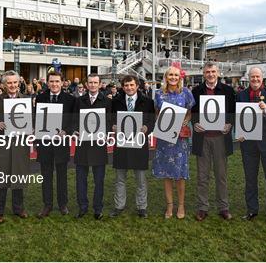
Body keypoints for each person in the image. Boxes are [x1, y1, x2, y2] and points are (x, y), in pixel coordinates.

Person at [191, 62, 236, 221]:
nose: (210, 74)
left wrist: (229, 124)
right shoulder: (196, 91)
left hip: (220, 139)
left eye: (213, 71)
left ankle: (223, 207)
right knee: (202, 176)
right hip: (202, 138)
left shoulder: (228, 91)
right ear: (203, 74)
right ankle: (202, 207)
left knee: (221, 175)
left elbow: (233, 113)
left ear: (218, 73)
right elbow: (193, 113)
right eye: (207, 72)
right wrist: (194, 123)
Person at [0, 71, 31, 223]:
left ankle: (19, 209)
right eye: (9, 83)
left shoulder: (27, 100)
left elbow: (33, 121)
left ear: (19, 83)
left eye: (15, 82)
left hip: (20, 145)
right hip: (1, 146)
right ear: (4, 85)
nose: (12, 85)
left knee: (18, 176)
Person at [236, 67, 266, 224]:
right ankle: (252, 210)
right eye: (252, 77)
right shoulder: (241, 95)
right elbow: (237, 116)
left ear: (263, 78)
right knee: (250, 179)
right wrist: (238, 131)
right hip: (248, 143)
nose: (255, 79)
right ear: (248, 78)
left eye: (257, 77)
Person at [152, 66, 195, 219]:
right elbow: (157, 114)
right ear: (166, 76)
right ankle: (169, 205)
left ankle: (181, 205)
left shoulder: (186, 93)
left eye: (176, 75)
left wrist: (185, 122)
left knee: (180, 173)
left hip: (180, 140)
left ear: (180, 77)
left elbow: (189, 113)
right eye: (170, 74)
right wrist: (161, 123)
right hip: (165, 138)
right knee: (167, 173)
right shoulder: (158, 94)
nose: (173, 77)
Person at [110, 75, 155, 218]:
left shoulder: (148, 102)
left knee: (141, 178)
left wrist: (147, 127)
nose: (129, 88)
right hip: (122, 144)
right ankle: (119, 206)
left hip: (139, 144)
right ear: (122, 87)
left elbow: (152, 120)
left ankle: (142, 207)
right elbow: (110, 119)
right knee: (120, 178)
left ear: (137, 86)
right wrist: (113, 126)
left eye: (131, 85)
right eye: (126, 85)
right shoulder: (116, 102)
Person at [35, 71, 75, 217]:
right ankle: (47, 205)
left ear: (62, 82)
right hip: (44, 143)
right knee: (46, 176)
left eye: (57, 81)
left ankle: (63, 204)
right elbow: (36, 119)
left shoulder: (70, 100)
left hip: (61, 144)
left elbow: (73, 122)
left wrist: (66, 131)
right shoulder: (40, 98)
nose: (54, 84)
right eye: (51, 81)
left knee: (62, 176)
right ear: (47, 82)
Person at [73, 73, 111, 220]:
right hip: (82, 145)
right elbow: (74, 120)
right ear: (87, 84)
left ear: (100, 84)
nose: (93, 85)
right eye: (90, 83)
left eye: (96, 83)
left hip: (99, 146)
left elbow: (109, 121)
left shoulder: (107, 102)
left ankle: (98, 209)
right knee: (81, 179)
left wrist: (107, 133)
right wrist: (74, 130)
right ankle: (82, 207)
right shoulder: (79, 101)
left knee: (99, 180)